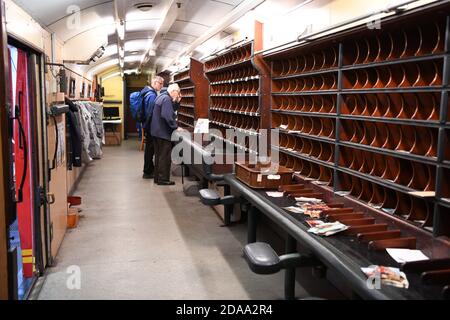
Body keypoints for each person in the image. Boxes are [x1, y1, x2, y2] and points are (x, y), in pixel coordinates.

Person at [151, 83, 182, 186]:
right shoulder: (166, 99)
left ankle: (158, 178)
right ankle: (163, 179)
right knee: (165, 156)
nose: (178, 95)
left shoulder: (161, 96)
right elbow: (167, 115)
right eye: (177, 93)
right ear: (173, 91)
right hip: (163, 133)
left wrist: (177, 102)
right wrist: (175, 127)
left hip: (156, 132)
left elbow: (170, 109)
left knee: (159, 156)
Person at [142, 76, 164, 179]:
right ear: (155, 83)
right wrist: (150, 126)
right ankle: (148, 171)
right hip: (150, 126)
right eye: (160, 83)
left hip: (148, 125)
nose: (162, 86)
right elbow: (150, 113)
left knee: (149, 149)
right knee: (150, 150)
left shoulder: (149, 93)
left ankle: (149, 169)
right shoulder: (151, 95)